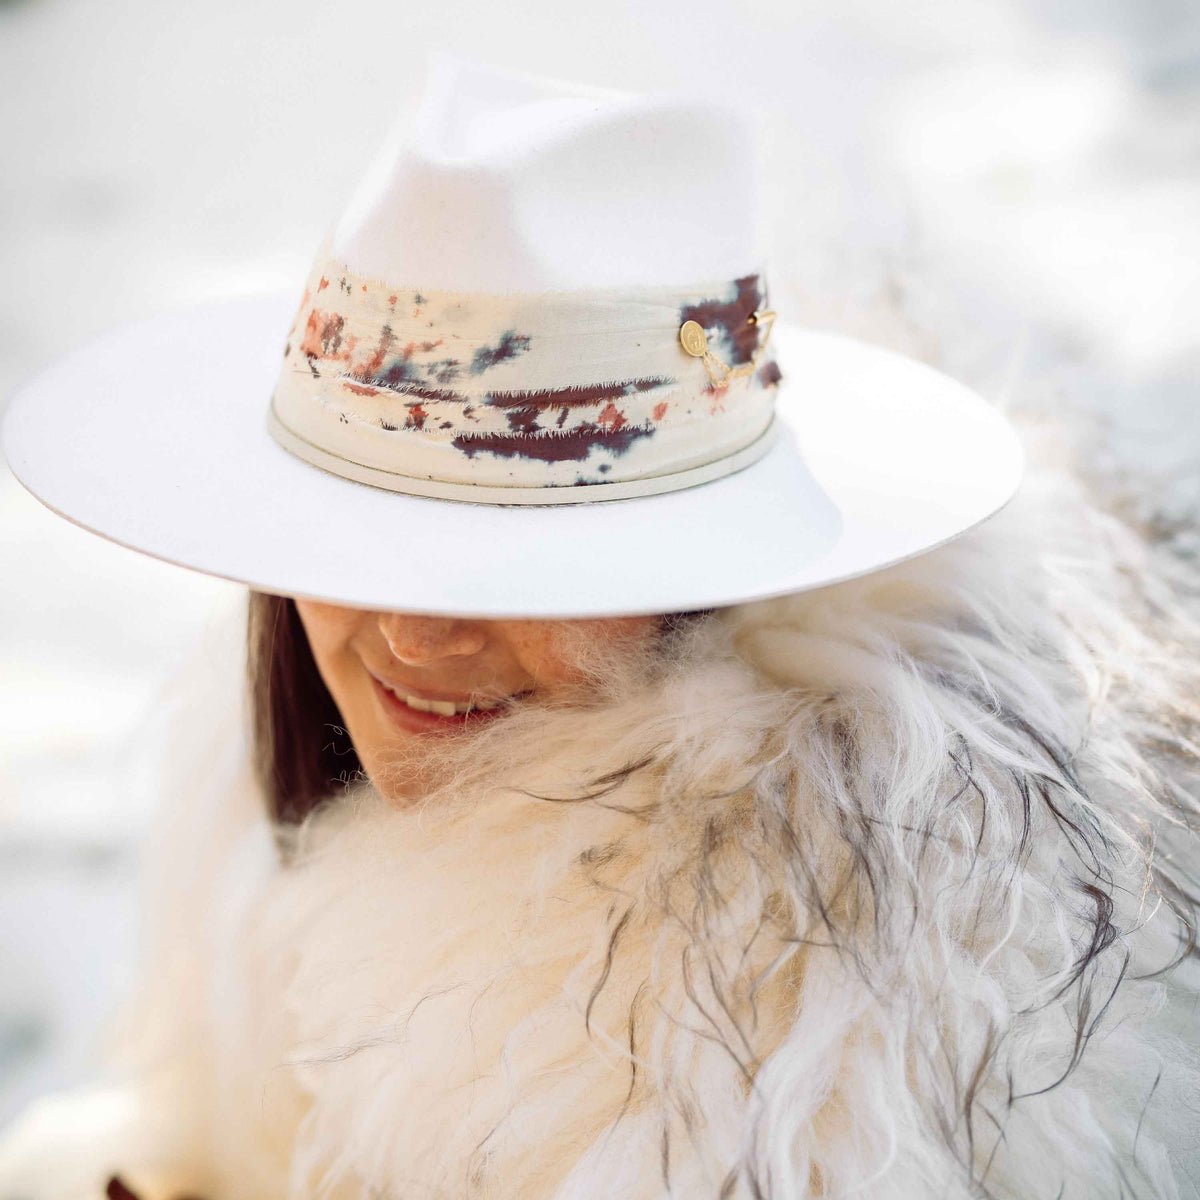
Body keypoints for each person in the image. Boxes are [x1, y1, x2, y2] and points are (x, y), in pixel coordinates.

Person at [2, 55, 1198, 1200]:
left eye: (530, 564)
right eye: (364, 538)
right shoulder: (251, 781)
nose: (418, 639)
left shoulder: (808, 1034)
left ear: (715, 575)